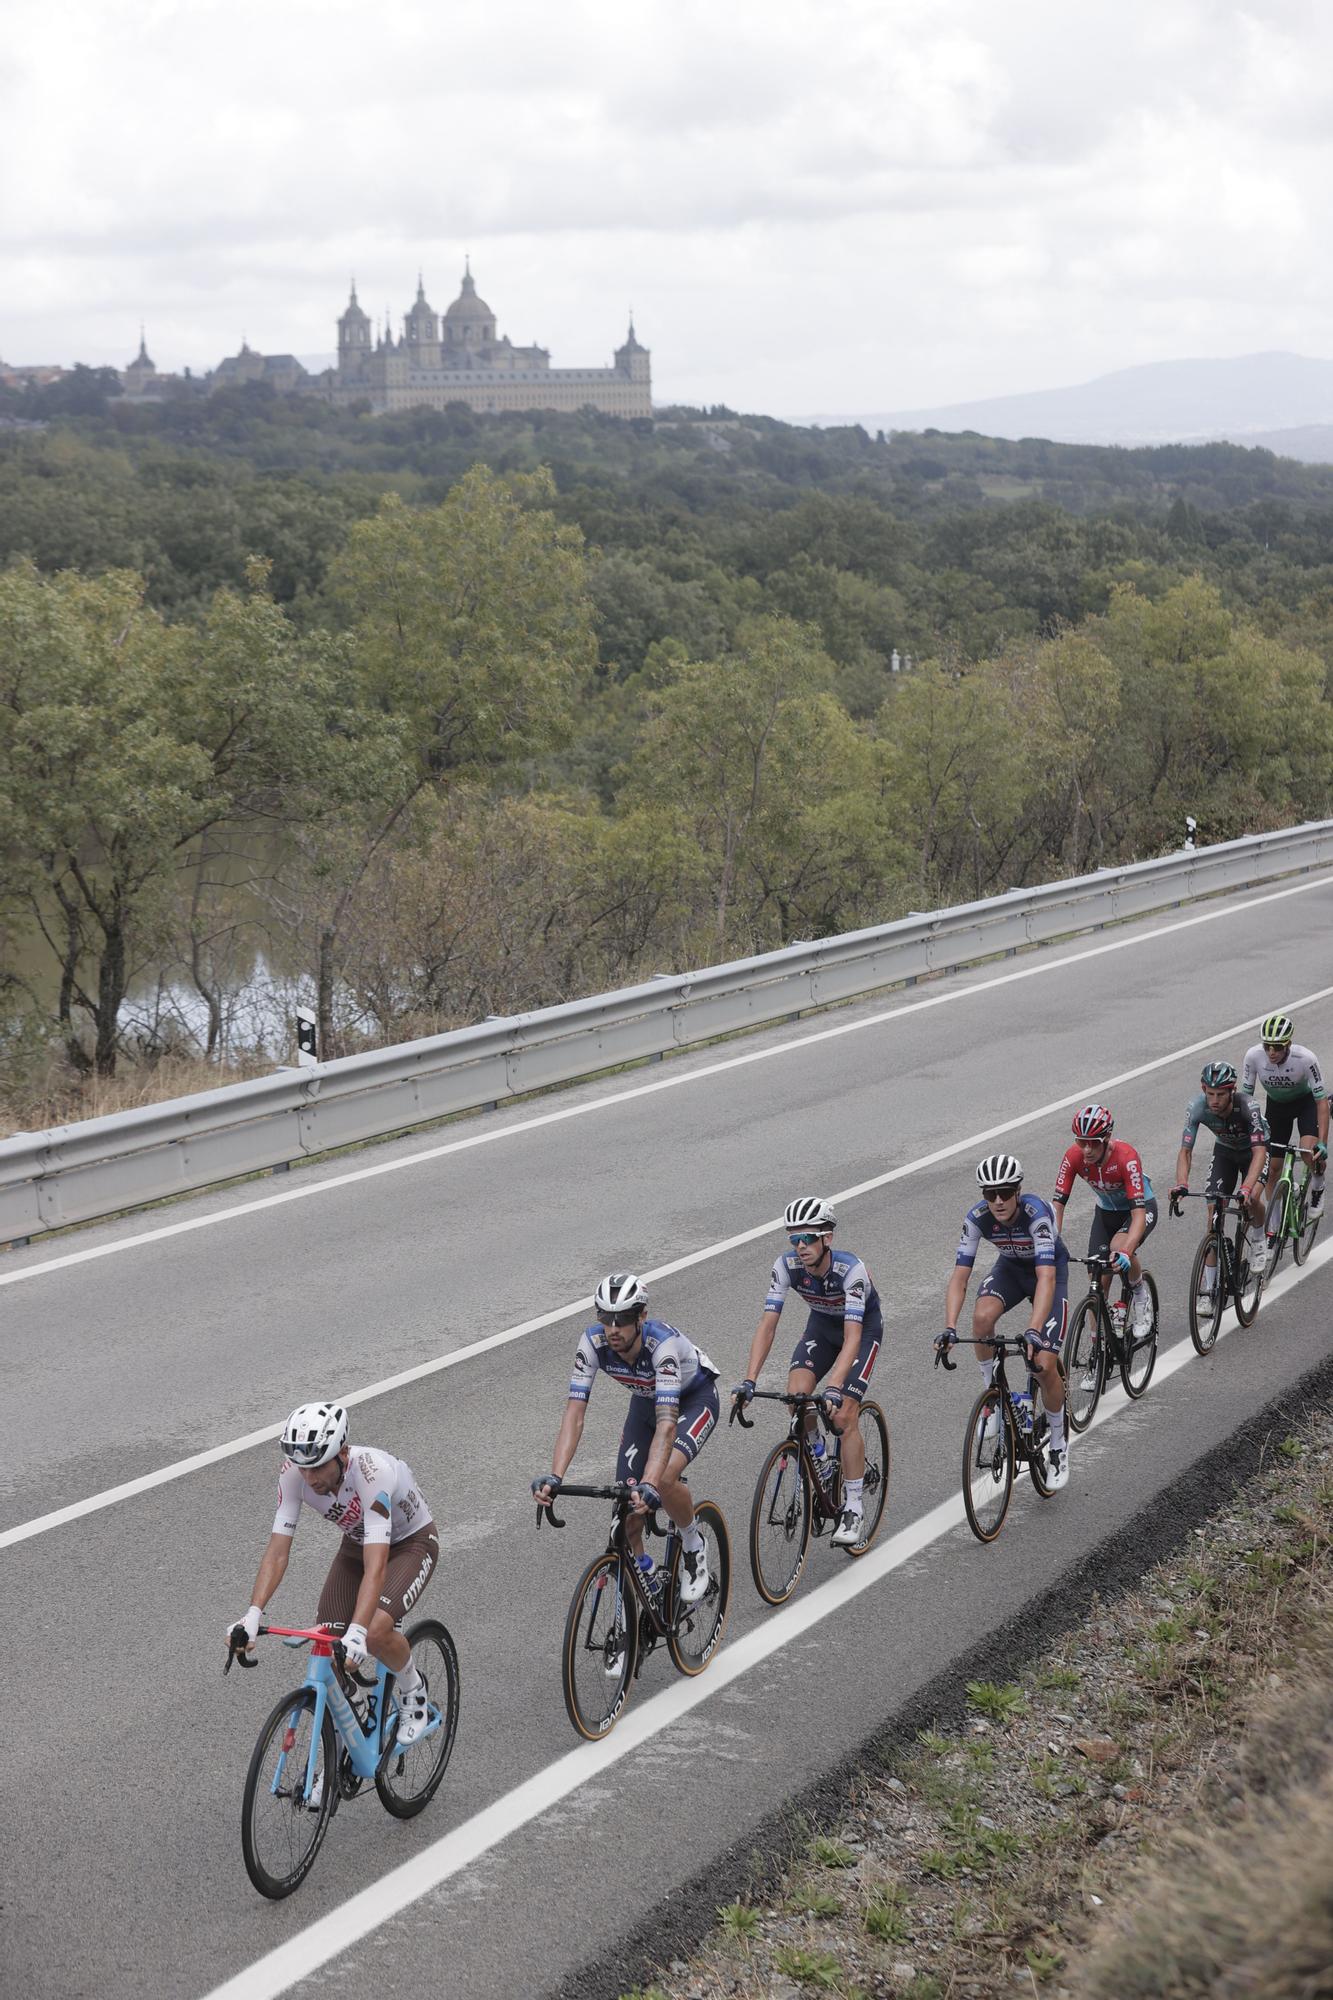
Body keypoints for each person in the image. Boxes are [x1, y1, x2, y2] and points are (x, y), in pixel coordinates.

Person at [227, 1402, 438, 1746]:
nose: (310, 1478)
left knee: (373, 1632)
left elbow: (377, 1565)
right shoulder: (294, 1474)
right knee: (327, 1642)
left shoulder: (373, 1472)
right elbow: (278, 1552)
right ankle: (357, 1719)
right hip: (356, 1547)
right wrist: (252, 1614)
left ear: (342, 1453)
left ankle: (414, 1692)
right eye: (303, 1468)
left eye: (318, 1468)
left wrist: (358, 1631)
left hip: (410, 1544)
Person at [532, 1273, 720, 1606]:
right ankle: (647, 1577)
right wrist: (556, 1475)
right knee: (627, 1511)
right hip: (646, 1404)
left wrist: (649, 1483)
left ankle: (693, 1543)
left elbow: (666, 1426)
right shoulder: (592, 1343)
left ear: (641, 1317)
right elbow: (574, 1414)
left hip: (693, 1400)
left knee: (661, 1479)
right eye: (605, 1317)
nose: (613, 1328)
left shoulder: (661, 1347)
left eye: (622, 1319)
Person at [733, 1196, 883, 1548]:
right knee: (795, 1397)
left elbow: (853, 1337)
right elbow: (768, 1325)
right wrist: (750, 1380)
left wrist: (833, 1386)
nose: (800, 1247)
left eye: (807, 1239)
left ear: (827, 1238)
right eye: (793, 1239)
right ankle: (819, 1455)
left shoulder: (852, 1271)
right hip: (822, 1326)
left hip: (860, 1332)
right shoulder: (785, 1267)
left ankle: (854, 1507)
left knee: (844, 1414)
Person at [935, 1154, 1072, 1492]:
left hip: (1047, 1273)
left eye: (1005, 1192)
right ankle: (994, 1398)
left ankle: (1058, 1445)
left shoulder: (1036, 1215)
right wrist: (950, 1326)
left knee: (1042, 1363)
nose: (997, 1200)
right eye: (990, 1193)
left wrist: (1034, 1330)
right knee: (981, 1319)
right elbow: (959, 1278)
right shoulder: (977, 1218)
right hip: (1010, 1269)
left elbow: (1046, 1278)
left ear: (1018, 1191)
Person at [1051, 1104, 1158, 1340]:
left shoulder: (1126, 1157)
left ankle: (1140, 1294)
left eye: (1094, 1142)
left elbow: (1138, 1214)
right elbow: (1057, 1205)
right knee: (1097, 1282)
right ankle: (1096, 1352)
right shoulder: (1073, 1157)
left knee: (1118, 1247)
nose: (1087, 1149)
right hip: (1106, 1213)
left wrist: (1127, 1251)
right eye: (1081, 1141)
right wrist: (1051, 1242)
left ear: (1107, 1137)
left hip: (1138, 1209)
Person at [1172, 1061, 1270, 1289]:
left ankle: (1258, 1238)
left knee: (1252, 1197)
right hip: (1225, 1150)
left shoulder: (1248, 1106)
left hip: (1254, 1151)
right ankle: (1210, 1286)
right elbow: (1185, 1151)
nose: (1214, 1100)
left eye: (1220, 1095)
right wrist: (1181, 1183)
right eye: (1210, 1094)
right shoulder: (1196, 1106)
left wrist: (1246, 1187)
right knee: (1213, 1211)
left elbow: (1259, 1152)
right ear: (1203, 1089)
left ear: (1232, 1091)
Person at [1241, 1013, 1328, 1217]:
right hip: (1277, 1107)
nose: (1272, 1052)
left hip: (1305, 1104)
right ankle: (1275, 1220)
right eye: (1267, 1046)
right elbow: (1245, 1099)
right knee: (1272, 1169)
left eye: (1278, 1047)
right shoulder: (1253, 1056)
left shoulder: (1306, 1058)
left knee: (1308, 1152)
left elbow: (1321, 1102)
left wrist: (1323, 1142)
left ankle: (1318, 1184)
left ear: (1288, 1044)